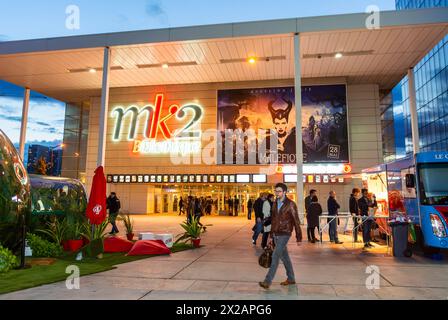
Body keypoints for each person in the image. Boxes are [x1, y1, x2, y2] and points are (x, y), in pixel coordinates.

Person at [259, 183, 302, 289]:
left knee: (275, 256)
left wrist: (299, 237)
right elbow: (273, 220)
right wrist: (270, 235)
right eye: (276, 191)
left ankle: (267, 281)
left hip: (285, 233)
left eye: (279, 191)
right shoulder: (274, 204)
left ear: (284, 192)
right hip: (276, 233)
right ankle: (291, 278)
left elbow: (296, 221)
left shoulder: (291, 204)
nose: (277, 193)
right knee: (285, 257)